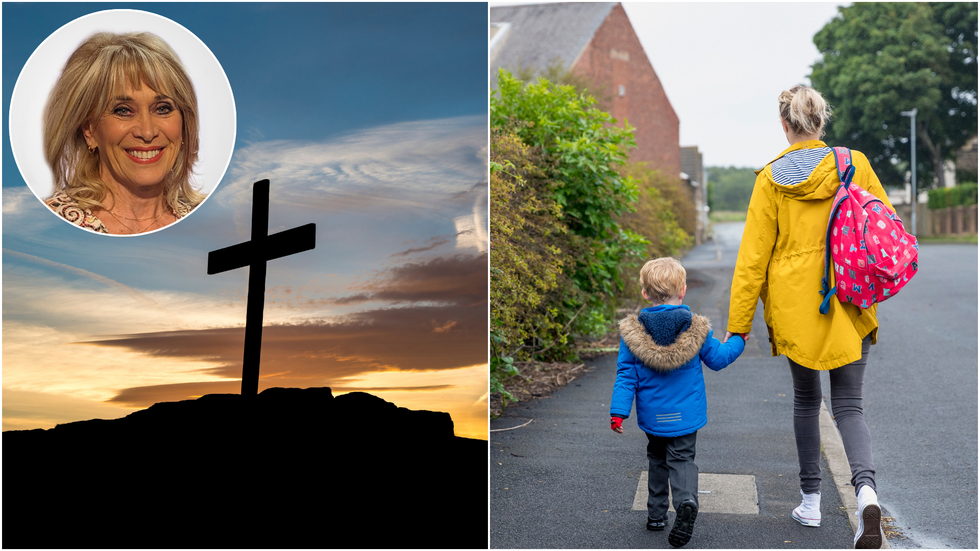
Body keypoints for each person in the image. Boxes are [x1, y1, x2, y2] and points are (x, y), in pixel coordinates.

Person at [726, 85, 889, 549]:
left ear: (785, 124)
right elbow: (884, 225)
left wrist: (738, 326)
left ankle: (812, 502)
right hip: (851, 299)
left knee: (805, 402)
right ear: (821, 121)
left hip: (798, 306)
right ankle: (866, 495)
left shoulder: (770, 178)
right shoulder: (853, 164)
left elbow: (752, 260)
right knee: (849, 406)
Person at [610, 257, 746, 548]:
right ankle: (686, 501)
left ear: (645, 293)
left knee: (657, 459)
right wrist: (739, 340)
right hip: (686, 415)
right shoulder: (696, 328)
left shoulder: (633, 334)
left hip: (653, 416)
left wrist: (618, 412)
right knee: (682, 460)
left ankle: (656, 516)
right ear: (682, 291)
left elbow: (625, 375)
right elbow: (719, 359)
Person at [43, 32, 203, 235]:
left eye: (162, 108)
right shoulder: (49, 224)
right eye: (123, 110)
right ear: (89, 129)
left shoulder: (206, 220)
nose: (147, 131)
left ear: (184, 125)